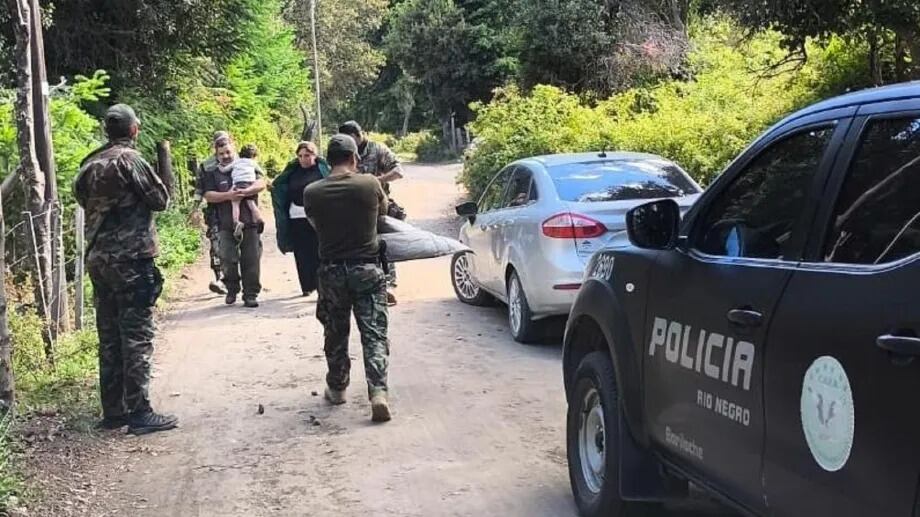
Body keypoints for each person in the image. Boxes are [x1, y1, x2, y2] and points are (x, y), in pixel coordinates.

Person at [74, 104, 178, 435]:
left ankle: (113, 411)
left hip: (98, 259)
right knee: (135, 334)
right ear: (134, 130)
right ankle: (139, 411)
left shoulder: (88, 163)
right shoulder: (130, 160)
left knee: (108, 334)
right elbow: (160, 200)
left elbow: (82, 201)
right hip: (131, 259)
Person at [303, 134, 392, 423]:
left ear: (327, 162)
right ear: (355, 158)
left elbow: (314, 225)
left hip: (331, 272)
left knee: (335, 332)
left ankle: (338, 387)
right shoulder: (369, 184)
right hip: (366, 269)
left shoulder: (312, 191)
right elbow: (384, 214)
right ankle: (378, 392)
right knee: (374, 334)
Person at [337, 121, 404, 306]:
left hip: (376, 205)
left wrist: (378, 180)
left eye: (350, 140)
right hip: (350, 207)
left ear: (359, 135)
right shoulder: (345, 152)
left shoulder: (377, 149)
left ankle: (387, 283)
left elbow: (399, 171)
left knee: (382, 244)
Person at [201, 132, 266, 308]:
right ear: (216, 153)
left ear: (234, 149)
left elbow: (262, 183)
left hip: (249, 221)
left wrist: (247, 191)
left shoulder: (247, 164)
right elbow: (208, 195)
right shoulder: (212, 172)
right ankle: (231, 289)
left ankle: (250, 294)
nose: (226, 156)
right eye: (221, 153)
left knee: (251, 258)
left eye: (228, 152)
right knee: (227, 258)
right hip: (225, 223)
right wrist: (228, 195)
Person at [271, 141, 330, 296]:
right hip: (296, 216)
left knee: (319, 251)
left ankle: (321, 285)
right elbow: (280, 187)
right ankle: (306, 286)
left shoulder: (323, 171)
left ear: (315, 155)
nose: (304, 159)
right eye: (300, 156)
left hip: (319, 217)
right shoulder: (291, 171)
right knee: (301, 253)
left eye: (307, 155)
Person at [191, 131, 231, 296]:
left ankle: (234, 279)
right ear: (214, 146)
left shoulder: (237, 161)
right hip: (215, 210)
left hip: (235, 210)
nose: (222, 146)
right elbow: (200, 188)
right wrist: (194, 208)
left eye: (224, 142)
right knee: (216, 245)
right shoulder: (207, 166)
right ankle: (220, 278)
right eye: (218, 144)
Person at [229, 144, 264, 241]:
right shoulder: (253, 162)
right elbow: (261, 172)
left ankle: (236, 222)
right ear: (254, 155)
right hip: (250, 184)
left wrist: (221, 168)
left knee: (235, 204)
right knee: (252, 205)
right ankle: (259, 219)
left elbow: (226, 169)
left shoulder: (237, 162)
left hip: (238, 184)